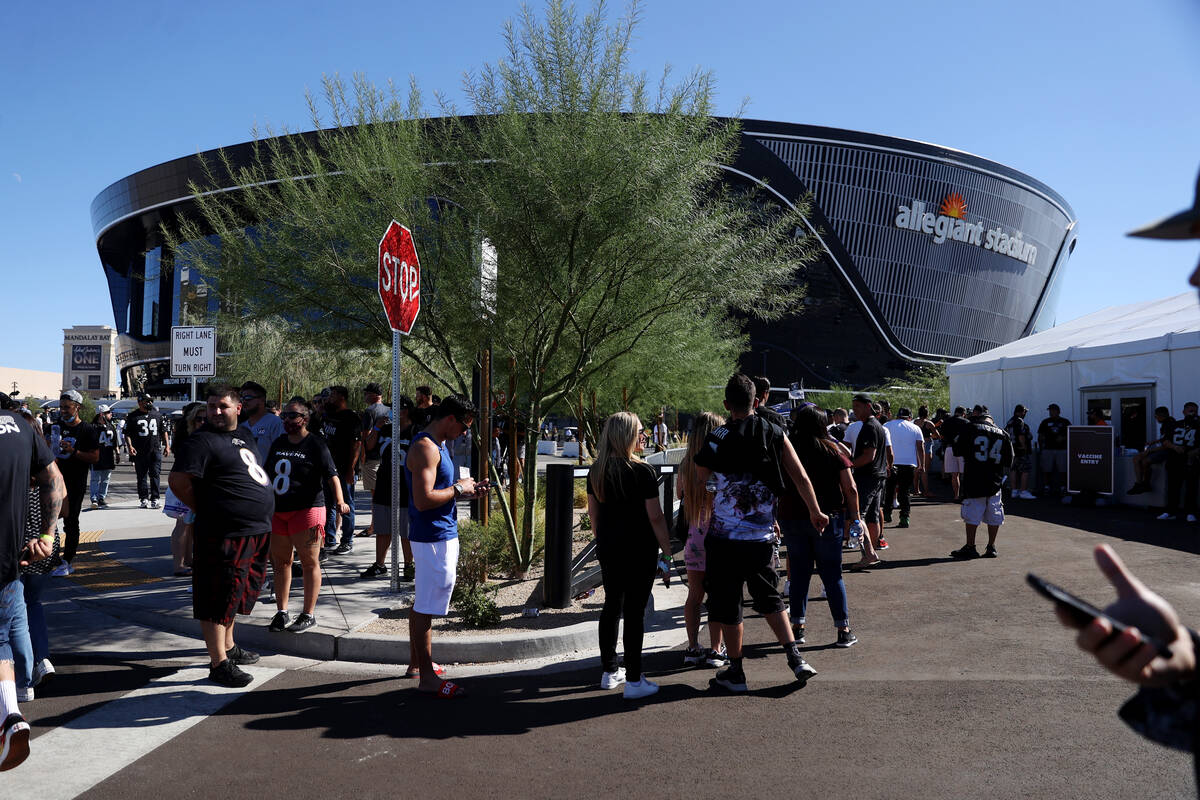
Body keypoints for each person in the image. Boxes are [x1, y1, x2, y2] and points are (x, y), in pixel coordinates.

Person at [692, 374, 826, 692]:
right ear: (756, 401)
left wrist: (716, 491)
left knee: (728, 604)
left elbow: (702, 478)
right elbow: (801, 476)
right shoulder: (775, 432)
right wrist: (815, 510)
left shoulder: (716, 437)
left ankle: (736, 672)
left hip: (724, 538)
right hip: (761, 538)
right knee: (769, 598)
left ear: (726, 404)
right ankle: (796, 659)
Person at [168, 384, 273, 687]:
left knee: (236, 593)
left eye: (222, 406)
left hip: (254, 529)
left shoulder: (245, 435)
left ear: (238, 408)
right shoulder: (200, 441)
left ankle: (229, 645)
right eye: (212, 406)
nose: (215, 411)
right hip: (223, 532)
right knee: (216, 595)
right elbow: (178, 480)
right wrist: (208, 508)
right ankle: (218, 663)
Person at [586, 412, 674, 700]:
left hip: (610, 547)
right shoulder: (642, 471)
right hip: (639, 549)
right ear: (627, 435)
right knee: (635, 612)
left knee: (612, 606)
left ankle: (609, 671)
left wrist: (605, 542)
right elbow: (656, 517)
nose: (642, 435)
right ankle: (635, 679)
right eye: (639, 431)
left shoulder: (596, 470)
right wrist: (667, 551)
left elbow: (594, 517)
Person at [405, 395, 487, 696]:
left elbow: (441, 492)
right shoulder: (425, 447)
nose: (465, 433)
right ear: (450, 418)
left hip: (439, 532)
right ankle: (427, 678)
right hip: (432, 536)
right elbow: (423, 499)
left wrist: (468, 492)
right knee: (427, 604)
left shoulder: (439, 445)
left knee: (423, 601)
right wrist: (457, 489)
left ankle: (417, 665)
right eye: (464, 426)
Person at [0, 392, 64, 770]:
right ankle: (10, 712)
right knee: (3, 635)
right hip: (10, 556)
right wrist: (46, 535)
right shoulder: (22, 427)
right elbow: (54, 480)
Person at [263, 399, 347, 634]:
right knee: (281, 563)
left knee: (310, 562)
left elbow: (332, 476)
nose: (288, 420)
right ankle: (281, 612)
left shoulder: (316, 444)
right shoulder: (279, 442)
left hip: (307, 510)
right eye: (285, 416)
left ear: (305, 418)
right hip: (278, 511)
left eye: (293, 416)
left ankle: (308, 614)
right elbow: (267, 474)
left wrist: (340, 501)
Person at [782, 404, 859, 648]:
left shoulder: (787, 449)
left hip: (792, 517)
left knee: (799, 573)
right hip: (829, 517)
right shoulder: (831, 449)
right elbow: (851, 487)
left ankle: (797, 626)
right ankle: (843, 629)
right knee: (832, 574)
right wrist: (855, 517)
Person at [675, 411, 728, 668]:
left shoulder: (686, 464)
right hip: (718, 535)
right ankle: (716, 649)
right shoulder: (719, 463)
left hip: (694, 537)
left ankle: (693, 646)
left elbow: (679, 494)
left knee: (694, 596)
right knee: (718, 597)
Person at [361, 396, 416, 581]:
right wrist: (376, 427)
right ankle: (380, 564)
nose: (392, 411)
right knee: (383, 527)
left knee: (405, 529)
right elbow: (369, 445)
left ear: (406, 410)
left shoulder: (415, 431)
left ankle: (409, 566)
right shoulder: (385, 428)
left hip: (406, 485)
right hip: (384, 482)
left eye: (397, 408)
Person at [948, 407, 1014, 559]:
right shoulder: (1003, 433)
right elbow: (1009, 460)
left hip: (974, 478)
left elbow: (957, 450)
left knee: (972, 513)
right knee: (994, 513)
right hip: (994, 481)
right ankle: (991, 546)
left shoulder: (969, 428)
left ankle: (970, 546)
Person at [48, 390, 99, 577]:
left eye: (67, 407)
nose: (63, 411)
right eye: (61, 407)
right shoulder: (54, 427)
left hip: (75, 481)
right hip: (53, 480)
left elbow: (94, 457)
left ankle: (67, 560)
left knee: (70, 522)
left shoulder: (87, 430)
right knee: (49, 520)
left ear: (77, 407)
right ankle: (51, 557)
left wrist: (74, 451)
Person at [845, 394, 888, 566]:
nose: (854, 410)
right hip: (877, 476)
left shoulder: (869, 426)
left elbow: (869, 456)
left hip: (868, 477)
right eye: (853, 407)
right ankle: (871, 553)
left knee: (857, 515)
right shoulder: (876, 425)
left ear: (868, 406)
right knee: (872, 517)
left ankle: (869, 554)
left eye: (857, 407)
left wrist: (849, 465)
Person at [321, 386, 362, 554]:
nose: (329, 398)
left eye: (332, 395)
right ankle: (330, 538)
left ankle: (347, 540)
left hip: (344, 469)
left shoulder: (351, 418)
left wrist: (351, 469)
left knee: (346, 504)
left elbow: (356, 444)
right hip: (328, 468)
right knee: (328, 504)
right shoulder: (328, 415)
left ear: (341, 397)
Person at [358, 382, 391, 538]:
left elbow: (365, 435)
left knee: (375, 495)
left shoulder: (369, 411)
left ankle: (374, 526)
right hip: (387, 457)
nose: (365, 396)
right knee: (384, 493)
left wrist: (362, 456)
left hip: (372, 458)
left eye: (366, 393)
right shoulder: (389, 410)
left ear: (374, 395)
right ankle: (379, 524)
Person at [126, 393, 169, 508]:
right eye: (147, 401)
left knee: (155, 475)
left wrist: (167, 446)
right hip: (140, 451)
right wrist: (130, 446)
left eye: (150, 401)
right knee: (141, 476)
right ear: (140, 402)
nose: (150, 403)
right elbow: (127, 434)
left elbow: (163, 431)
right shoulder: (132, 416)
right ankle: (143, 498)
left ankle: (155, 498)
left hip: (155, 450)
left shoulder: (157, 415)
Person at [883, 408, 924, 528]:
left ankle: (887, 513)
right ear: (910, 417)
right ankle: (904, 517)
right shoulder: (915, 428)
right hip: (909, 464)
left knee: (889, 490)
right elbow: (920, 447)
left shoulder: (887, 425)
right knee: (904, 492)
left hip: (891, 463)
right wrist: (922, 465)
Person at [1159, 402, 1200, 522]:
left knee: (1191, 488)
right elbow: (1165, 441)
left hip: (1191, 461)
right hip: (1175, 460)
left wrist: (1195, 451)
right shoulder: (1175, 424)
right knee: (1173, 487)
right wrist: (1175, 447)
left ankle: (1190, 512)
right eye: (1190, 410)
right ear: (1184, 411)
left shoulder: (1198, 424)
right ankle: (1170, 511)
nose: (1192, 413)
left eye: (1195, 411)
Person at [1130, 407, 1177, 495]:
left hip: (1168, 451)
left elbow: (1167, 444)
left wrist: (1149, 451)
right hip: (1163, 448)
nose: (1156, 419)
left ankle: (1145, 484)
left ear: (1161, 416)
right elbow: (1165, 438)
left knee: (1145, 461)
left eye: (1156, 416)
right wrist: (1154, 442)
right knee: (1136, 459)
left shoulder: (1170, 424)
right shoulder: (1167, 423)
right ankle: (1139, 484)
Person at [239, 381, 285, 462]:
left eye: (248, 398)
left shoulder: (275, 423)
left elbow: (281, 453)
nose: (244, 402)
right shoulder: (242, 427)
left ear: (262, 400)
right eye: (242, 399)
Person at [1037, 403, 1071, 497]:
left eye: (1053, 410)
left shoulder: (1065, 422)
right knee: (1047, 469)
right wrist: (1041, 448)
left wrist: (1063, 438)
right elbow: (1040, 435)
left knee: (1063, 469)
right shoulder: (1045, 422)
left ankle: (1063, 487)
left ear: (1058, 411)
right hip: (1048, 449)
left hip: (1062, 450)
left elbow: (1071, 434)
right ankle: (1047, 487)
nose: (1051, 412)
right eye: (1050, 410)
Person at [939, 406, 970, 501]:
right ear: (963, 413)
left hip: (949, 448)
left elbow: (942, 436)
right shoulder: (966, 422)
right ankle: (965, 495)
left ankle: (956, 495)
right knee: (965, 474)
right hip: (962, 449)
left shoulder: (946, 422)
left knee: (954, 474)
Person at [1004, 405, 1035, 500]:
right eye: (1024, 412)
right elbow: (1021, 435)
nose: (1025, 414)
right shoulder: (1019, 421)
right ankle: (1023, 491)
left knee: (1014, 470)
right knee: (1025, 470)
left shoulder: (1010, 421)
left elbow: (1005, 433)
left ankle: (1014, 490)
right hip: (1020, 450)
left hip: (1012, 450)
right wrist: (1024, 446)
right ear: (1021, 411)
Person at [90, 405, 117, 509]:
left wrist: (118, 453)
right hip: (96, 456)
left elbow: (115, 442)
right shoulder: (92, 426)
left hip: (108, 456)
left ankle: (101, 497)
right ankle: (94, 498)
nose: (110, 414)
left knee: (106, 478)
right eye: (108, 412)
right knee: (95, 479)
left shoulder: (111, 426)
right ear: (101, 414)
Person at [914, 405, 939, 497]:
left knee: (917, 469)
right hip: (927, 445)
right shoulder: (929, 424)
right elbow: (937, 435)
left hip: (917, 445)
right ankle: (926, 491)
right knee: (925, 470)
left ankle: (916, 490)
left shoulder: (915, 422)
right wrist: (930, 435)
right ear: (927, 413)